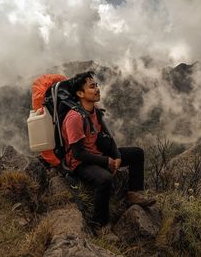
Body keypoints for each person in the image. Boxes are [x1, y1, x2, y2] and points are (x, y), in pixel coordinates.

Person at [61, 71, 155, 233]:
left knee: (137, 153)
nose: (97, 89)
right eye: (92, 86)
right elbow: (77, 153)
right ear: (80, 93)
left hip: (98, 154)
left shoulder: (95, 111)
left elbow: (108, 137)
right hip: (81, 163)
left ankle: (132, 194)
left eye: (96, 85)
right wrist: (106, 161)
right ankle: (100, 224)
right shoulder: (74, 118)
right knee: (104, 179)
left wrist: (117, 157)